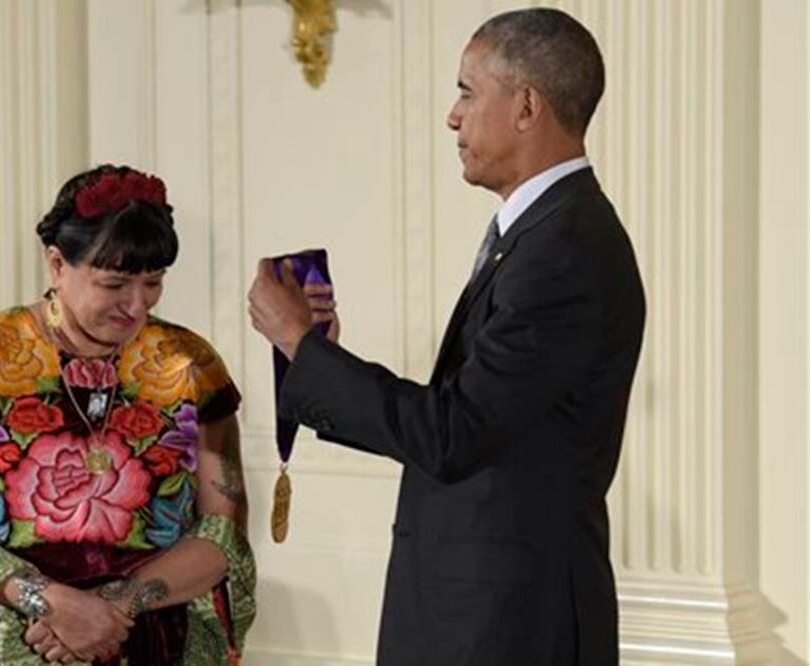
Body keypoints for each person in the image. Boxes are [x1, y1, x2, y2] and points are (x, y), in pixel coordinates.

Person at [248, 8, 645, 665]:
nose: (451, 116)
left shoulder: (563, 247)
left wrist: (301, 347)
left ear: (525, 105)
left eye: (466, 91)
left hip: (507, 627)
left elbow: (453, 433)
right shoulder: (543, 232)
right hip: (479, 616)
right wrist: (320, 353)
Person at [0, 164, 255, 666]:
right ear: (56, 263)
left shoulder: (189, 366)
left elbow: (223, 535)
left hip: (148, 636)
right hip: (9, 637)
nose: (136, 307)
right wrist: (54, 604)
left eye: (153, 283)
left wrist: (114, 607)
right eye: (114, 284)